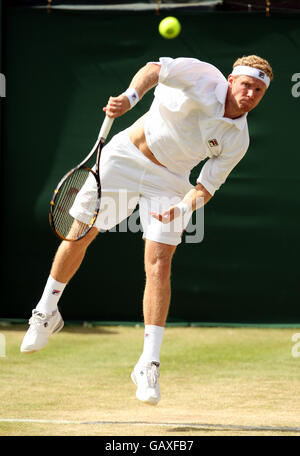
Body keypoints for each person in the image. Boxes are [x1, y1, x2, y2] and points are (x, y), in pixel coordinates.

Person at [20, 55, 273, 405]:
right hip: (125, 156)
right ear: (231, 80)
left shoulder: (238, 139)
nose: (250, 93)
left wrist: (183, 206)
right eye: (246, 84)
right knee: (80, 233)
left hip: (170, 182)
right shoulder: (202, 76)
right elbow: (156, 70)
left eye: (259, 90)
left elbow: (206, 187)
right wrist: (130, 97)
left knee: (160, 263)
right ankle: (46, 312)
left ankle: (148, 363)